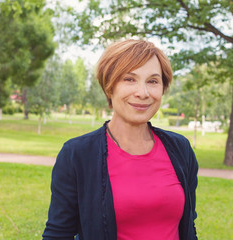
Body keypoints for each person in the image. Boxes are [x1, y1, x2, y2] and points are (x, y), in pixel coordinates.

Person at [42, 39, 199, 240]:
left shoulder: (180, 149)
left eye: (152, 81)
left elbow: (188, 226)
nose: (142, 93)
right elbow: (58, 234)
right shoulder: (77, 154)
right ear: (109, 86)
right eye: (129, 79)